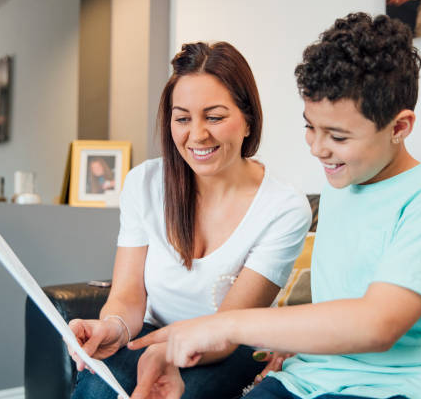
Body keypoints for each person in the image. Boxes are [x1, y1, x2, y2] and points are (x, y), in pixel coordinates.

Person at [130, 13, 421, 399]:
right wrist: (293, 340)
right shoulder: (344, 185)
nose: (317, 148)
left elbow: (378, 324)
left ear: (399, 127)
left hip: (402, 387)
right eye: (311, 126)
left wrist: (223, 325)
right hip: (310, 378)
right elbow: (336, 308)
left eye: (338, 136)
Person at [68, 41, 312, 399]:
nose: (197, 135)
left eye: (214, 117)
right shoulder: (144, 183)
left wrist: (163, 351)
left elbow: (228, 327)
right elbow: (128, 295)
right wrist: (113, 327)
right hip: (151, 332)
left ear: (248, 120)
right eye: (182, 118)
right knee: (96, 388)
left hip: (230, 346)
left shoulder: (284, 209)